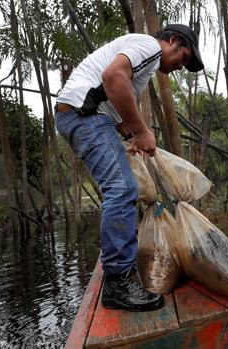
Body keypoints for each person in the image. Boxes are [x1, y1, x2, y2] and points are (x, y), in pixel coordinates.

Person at [54, 24, 203, 312]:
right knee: (122, 189)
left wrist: (129, 133)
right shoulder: (148, 46)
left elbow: (109, 98)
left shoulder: (142, 64)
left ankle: (120, 273)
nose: (180, 66)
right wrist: (142, 130)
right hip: (82, 115)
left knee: (122, 188)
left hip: (82, 115)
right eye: (183, 57)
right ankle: (118, 283)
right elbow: (112, 78)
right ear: (172, 40)